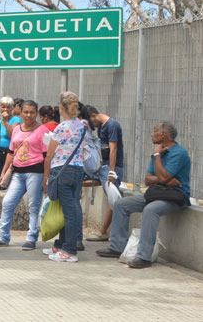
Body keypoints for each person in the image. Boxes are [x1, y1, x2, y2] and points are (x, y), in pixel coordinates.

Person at [96, 122, 190, 268]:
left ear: (163, 134)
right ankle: (117, 247)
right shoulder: (157, 152)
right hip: (157, 193)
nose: (152, 134)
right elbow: (148, 179)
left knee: (150, 210)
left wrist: (158, 157)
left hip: (175, 195)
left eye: (154, 131)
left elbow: (163, 178)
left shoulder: (179, 153)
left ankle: (144, 257)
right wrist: (164, 178)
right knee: (121, 204)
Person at [0, 100, 48, 250]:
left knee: (33, 206)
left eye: (32, 112)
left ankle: (31, 238)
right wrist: (3, 172)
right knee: (8, 202)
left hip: (35, 173)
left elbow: (46, 156)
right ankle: (3, 237)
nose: (29, 115)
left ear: (36, 113)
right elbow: (11, 153)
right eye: (26, 112)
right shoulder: (16, 130)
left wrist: (46, 177)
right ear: (20, 112)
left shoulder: (42, 131)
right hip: (17, 173)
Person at [42, 92, 87, 262]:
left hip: (62, 170)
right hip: (77, 170)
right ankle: (61, 244)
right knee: (69, 207)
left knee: (69, 210)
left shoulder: (62, 128)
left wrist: (45, 177)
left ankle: (69, 250)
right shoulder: (83, 125)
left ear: (61, 107)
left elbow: (50, 154)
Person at [82, 105, 124, 241]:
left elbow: (113, 149)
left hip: (111, 167)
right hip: (102, 166)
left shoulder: (112, 125)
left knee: (114, 201)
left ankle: (114, 235)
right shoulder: (101, 126)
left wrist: (112, 171)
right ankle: (103, 231)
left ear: (93, 115)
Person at [0, 96, 22, 190]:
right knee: (1, 182)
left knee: (8, 182)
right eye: (3, 106)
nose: (5, 109)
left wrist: (6, 122)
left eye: (8, 107)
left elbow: (12, 136)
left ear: (12, 108)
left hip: (9, 155)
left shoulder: (16, 121)